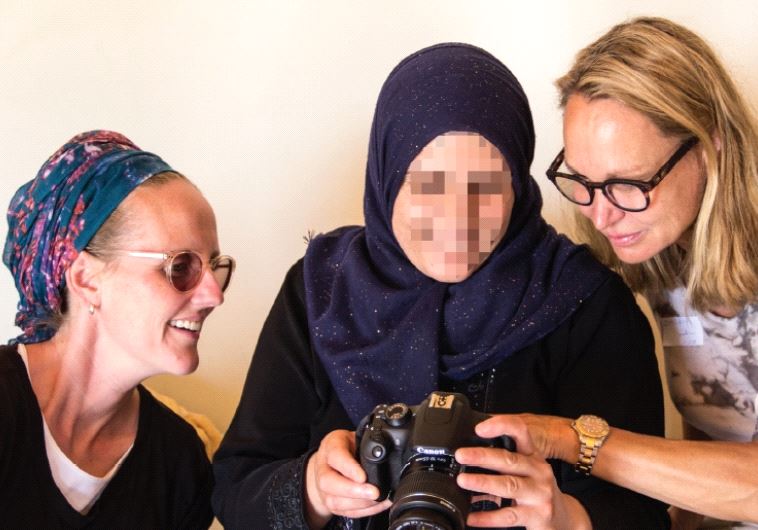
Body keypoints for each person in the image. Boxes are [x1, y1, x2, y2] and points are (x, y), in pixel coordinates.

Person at [213, 43, 669, 529]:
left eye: (486, 186)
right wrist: (313, 489)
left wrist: (570, 518)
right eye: (429, 184)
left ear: (518, 186)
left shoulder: (582, 302)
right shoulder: (322, 290)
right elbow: (235, 487)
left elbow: (643, 512)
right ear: (388, 177)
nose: (457, 217)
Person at [486, 16, 758, 528]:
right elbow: (712, 448)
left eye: (627, 184)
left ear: (711, 144)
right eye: (583, 181)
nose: (601, 215)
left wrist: (569, 438)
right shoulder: (665, 256)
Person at [0, 130, 235, 527]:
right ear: (87, 279)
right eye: (181, 266)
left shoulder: (180, 462)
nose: (214, 295)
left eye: (215, 267)